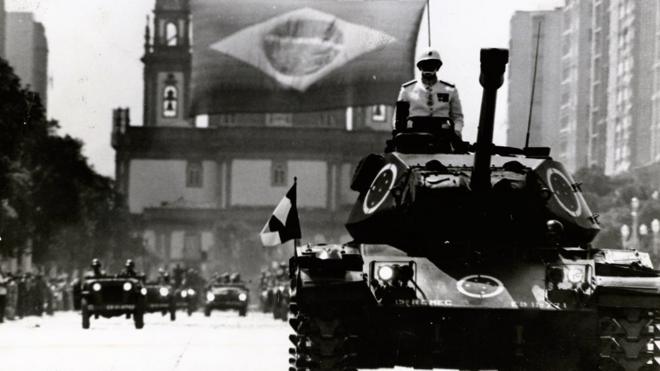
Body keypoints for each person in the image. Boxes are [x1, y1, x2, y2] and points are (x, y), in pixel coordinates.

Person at [396, 48, 464, 138]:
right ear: (420, 67)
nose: (428, 68)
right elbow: (398, 119)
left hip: (443, 136)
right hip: (415, 135)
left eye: (432, 65)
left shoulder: (449, 90)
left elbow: (457, 116)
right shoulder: (407, 89)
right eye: (425, 65)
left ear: (437, 67)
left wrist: (457, 130)